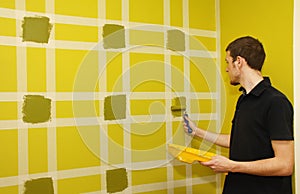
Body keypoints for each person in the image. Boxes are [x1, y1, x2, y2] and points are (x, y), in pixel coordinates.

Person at [183, 36, 294, 194]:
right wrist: (196, 131)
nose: (227, 69)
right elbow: (239, 140)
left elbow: (284, 165)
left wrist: (232, 166)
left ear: (239, 62)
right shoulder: (243, 100)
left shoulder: (276, 102)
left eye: (228, 62)